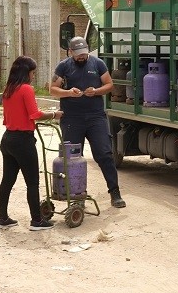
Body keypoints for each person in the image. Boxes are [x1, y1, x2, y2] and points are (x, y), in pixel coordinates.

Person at [49, 36, 125, 208]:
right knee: (72, 157)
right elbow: (53, 89)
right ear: (70, 52)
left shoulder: (98, 64)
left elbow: (109, 85)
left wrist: (96, 91)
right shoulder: (63, 66)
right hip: (72, 118)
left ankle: (115, 192)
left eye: (83, 53)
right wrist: (69, 92)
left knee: (105, 154)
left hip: (95, 117)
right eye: (78, 54)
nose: (81, 57)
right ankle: (76, 196)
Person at [0, 55, 63, 231]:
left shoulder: (8, 89)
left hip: (8, 139)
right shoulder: (26, 89)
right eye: (33, 73)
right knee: (32, 182)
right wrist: (54, 114)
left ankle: (2, 218)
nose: (34, 76)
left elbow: (10, 116)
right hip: (22, 141)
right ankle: (37, 221)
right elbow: (34, 114)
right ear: (27, 73)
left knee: (7, 181)